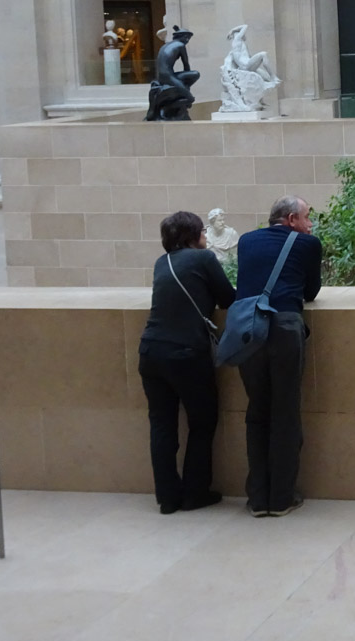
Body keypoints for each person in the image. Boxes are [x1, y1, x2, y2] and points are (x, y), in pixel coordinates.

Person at [138, 211, 236, 515]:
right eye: (202, 231)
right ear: (193, 235)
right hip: (186, 353)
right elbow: (228, 299)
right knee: (202, 421)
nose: (206, 234)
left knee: (162, 424)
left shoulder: (161, 262)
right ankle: (195, 492)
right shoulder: (204, 258)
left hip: (151, 351)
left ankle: (167, 498)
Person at [235, 196, 323, 518]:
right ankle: (282, 497)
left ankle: (258, 498)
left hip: (249, 330)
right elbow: (310, 292)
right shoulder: (308, 244)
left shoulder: (246, 241)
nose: (310, 224)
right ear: (291, 219)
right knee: (285, 412)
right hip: (285, 328)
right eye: (306, 217)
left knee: (257, 410)